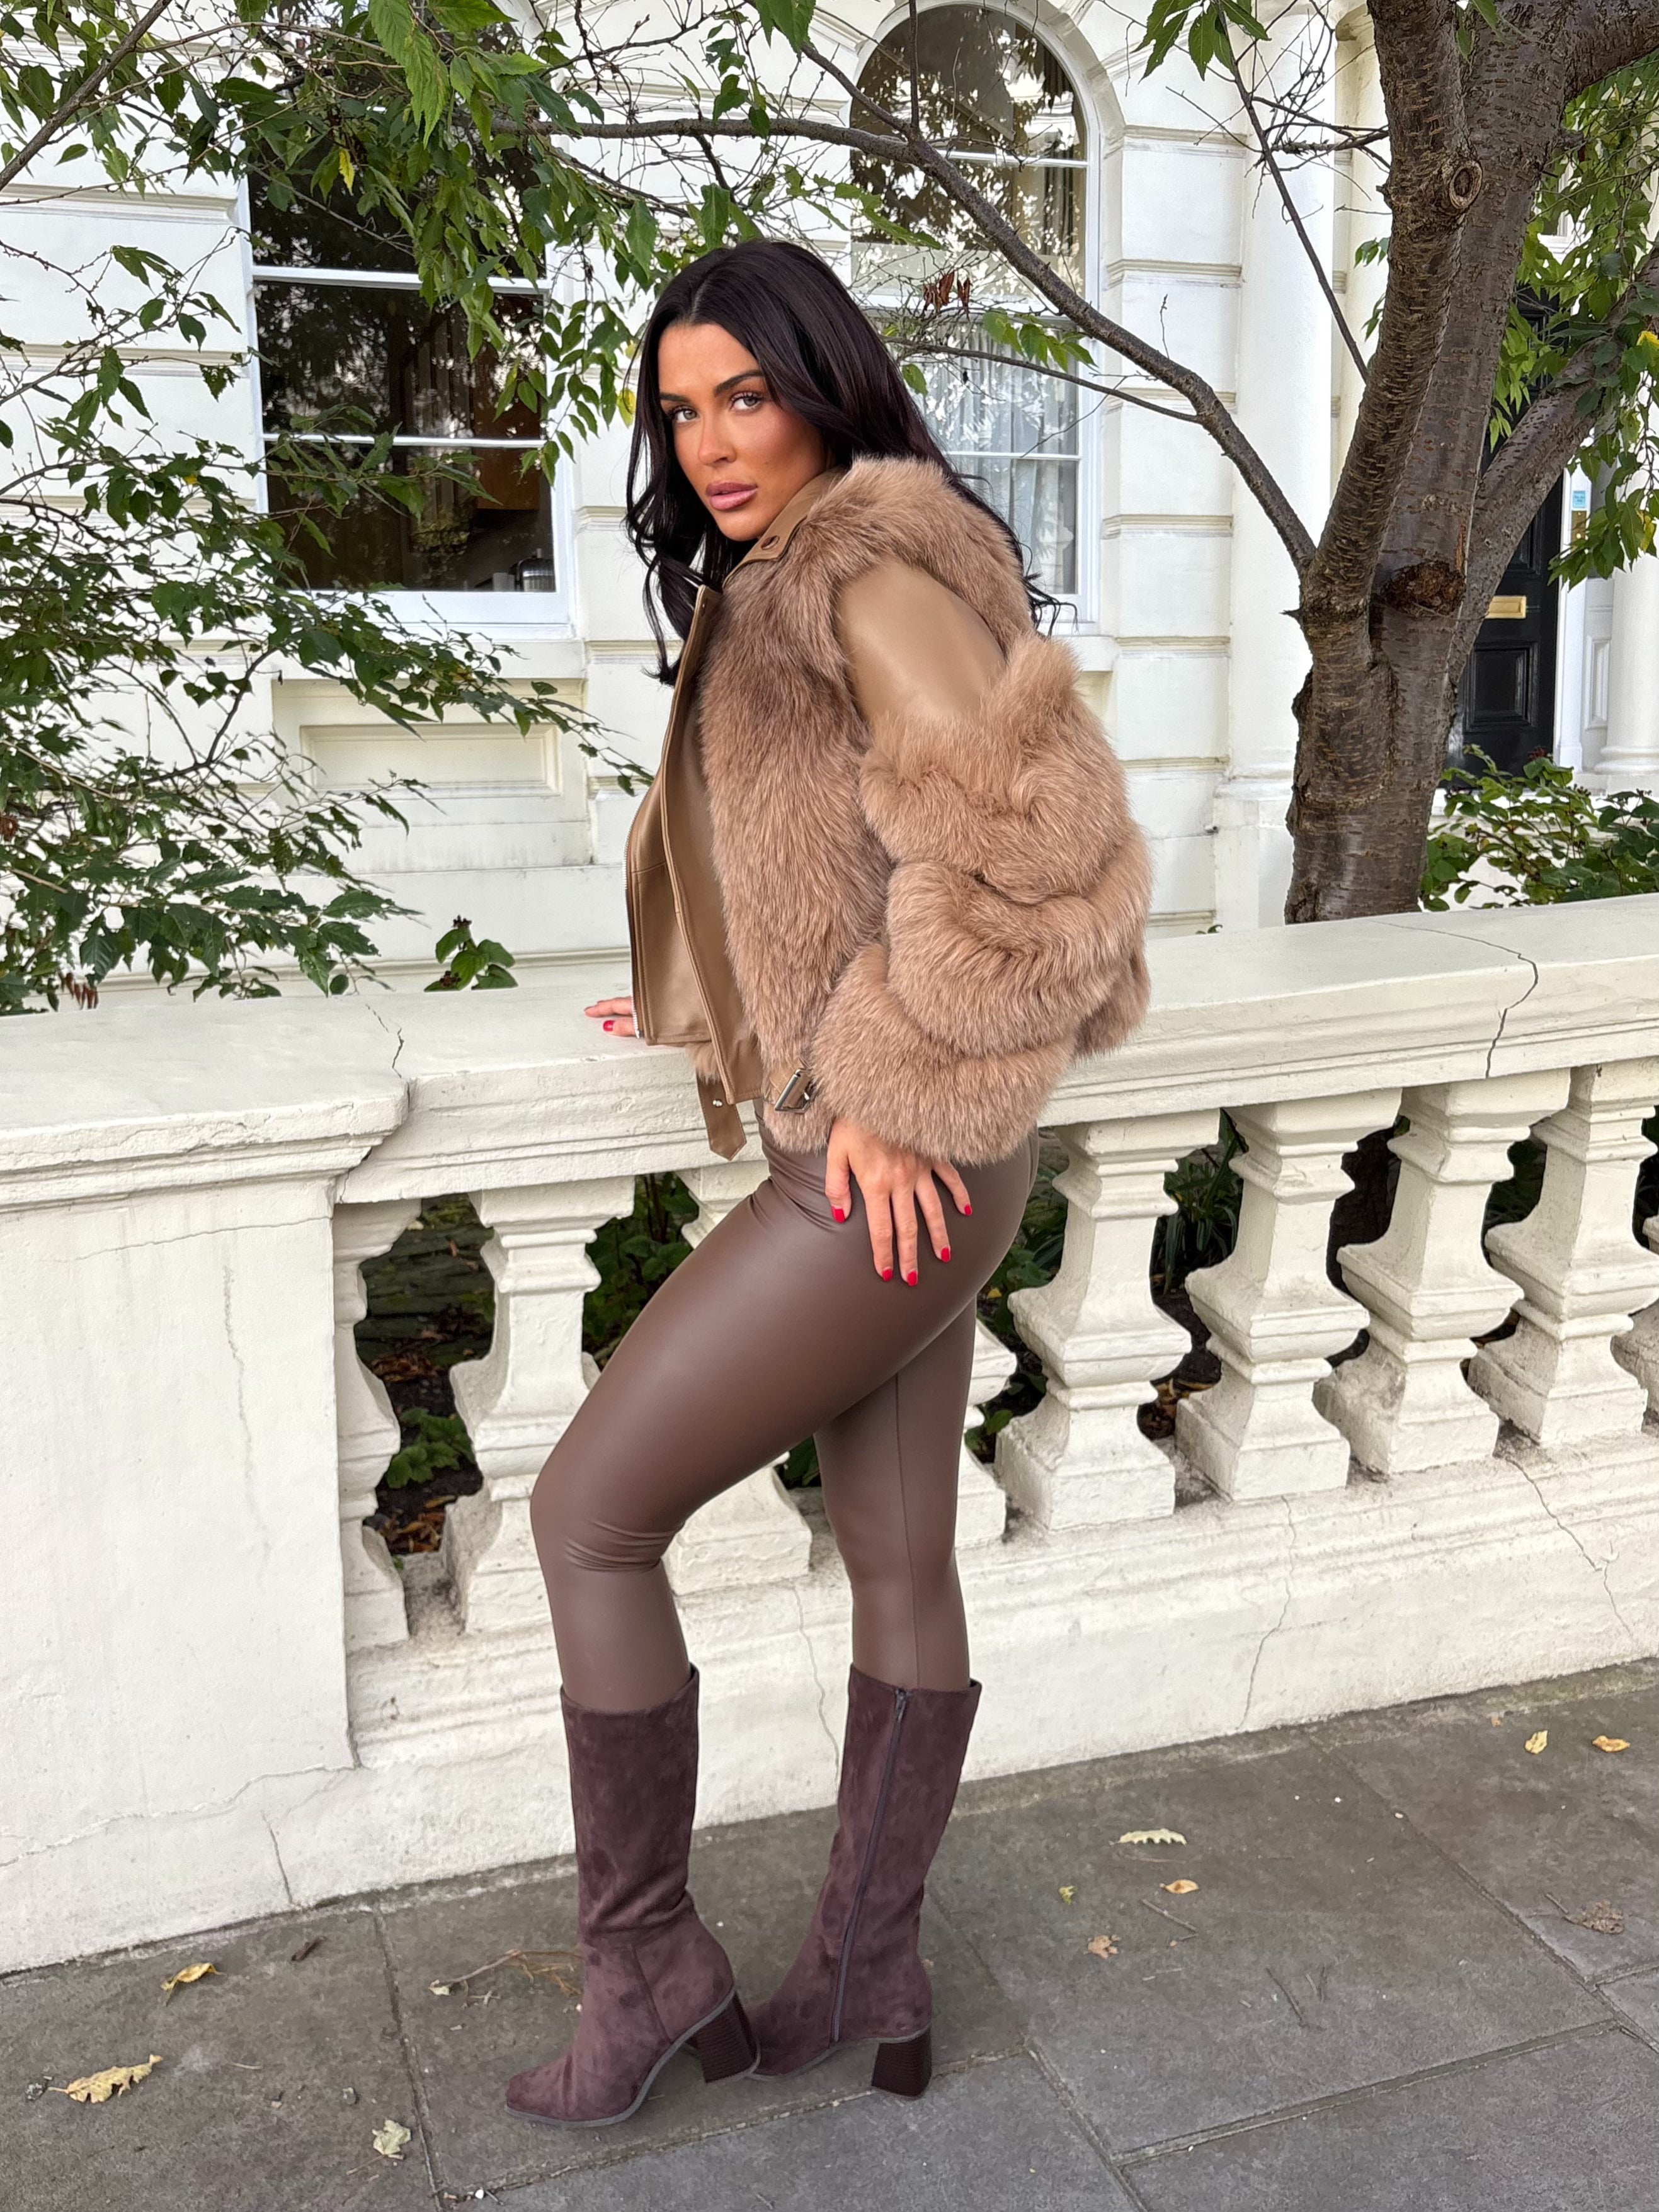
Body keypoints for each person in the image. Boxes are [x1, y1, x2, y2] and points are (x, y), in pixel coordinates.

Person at [506, 238, 1151, 2131]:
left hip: (894, 1166)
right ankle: (873, 1969)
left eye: (746, 396)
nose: (711, 441)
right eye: (680, 408)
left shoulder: (864, 568)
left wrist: (891, 1087)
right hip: (917, 1161)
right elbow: (816, 849)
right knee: (897, 1554)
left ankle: (647, 1967)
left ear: (822, 387)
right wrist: (707, 995)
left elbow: (1050, 862)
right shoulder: (797, 573)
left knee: (586, 1517)